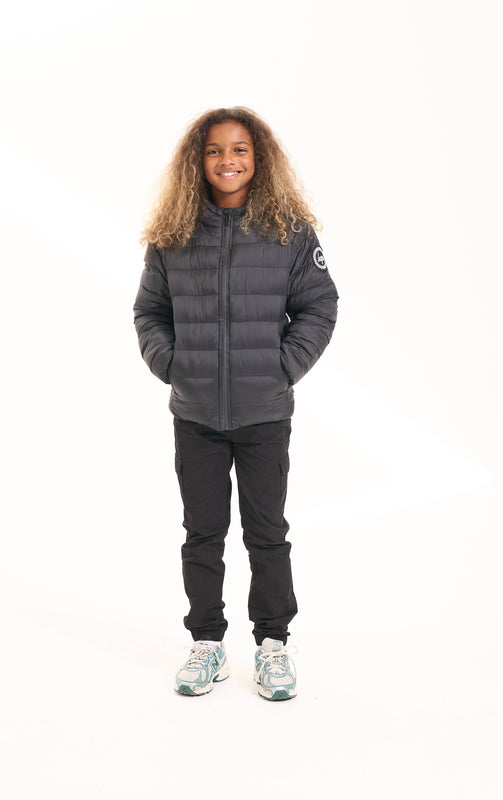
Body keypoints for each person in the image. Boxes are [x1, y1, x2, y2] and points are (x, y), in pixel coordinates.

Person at [133, 107, 338, 701]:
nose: (228, 160)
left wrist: (282, 367)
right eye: (215, 150)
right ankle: (207, 643)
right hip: (195, 414)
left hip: (265, 414)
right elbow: (150, 312)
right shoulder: (173, 234)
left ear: (259, 156)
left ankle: (273, 644)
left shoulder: (289, 231)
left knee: (267, 533)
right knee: (202, 533)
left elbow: (320, 305)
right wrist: (173, 365)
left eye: (240, 149)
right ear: (197, 161)